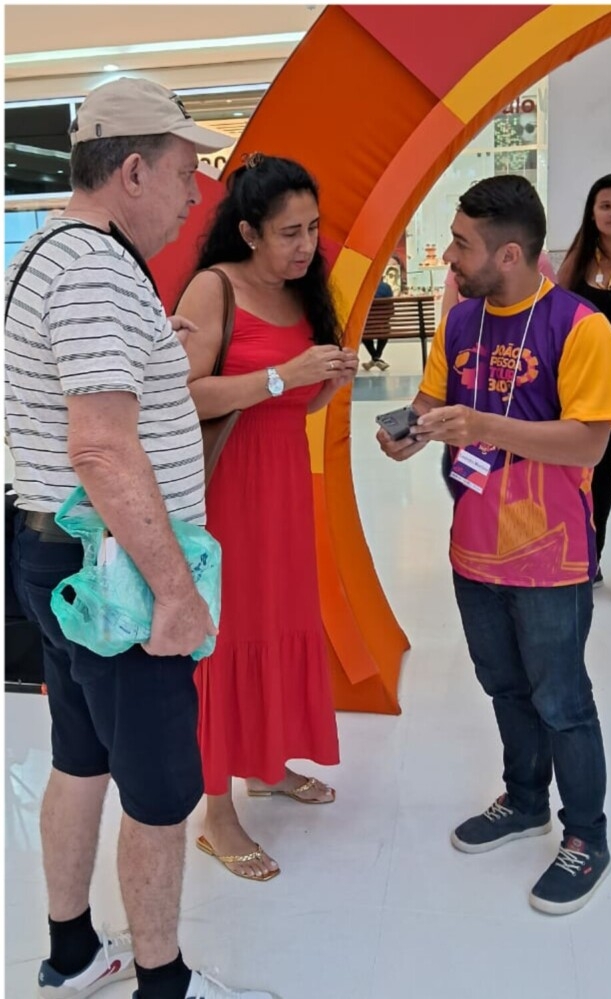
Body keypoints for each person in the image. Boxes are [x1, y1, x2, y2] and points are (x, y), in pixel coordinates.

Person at [4, 77, 278, 999]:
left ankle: (73, 952)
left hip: (58, 555)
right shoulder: (93, 272)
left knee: (80, 758)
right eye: (185, 170)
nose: (198, 192)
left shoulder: (56, 254)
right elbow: (102, 447)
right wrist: (176, 589)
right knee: (161, 794)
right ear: (131, 170)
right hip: (115, 572)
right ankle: (164, 986)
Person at [378, 175, 611, 915]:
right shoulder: (459, 322)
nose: (450, 257)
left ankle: (587, 835)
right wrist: (410, 430)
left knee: (563, 698)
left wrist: (485, 427)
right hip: (474, 546)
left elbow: (588, 443)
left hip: (551, 554)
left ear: (511, 254)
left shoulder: (580, 327)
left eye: (462, 244)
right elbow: (431, 401)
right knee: (504, 685)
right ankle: (525, 800)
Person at [175, 154, 355, 883]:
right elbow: (182, 395)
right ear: (248, 231)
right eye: (289, 231)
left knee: (282, 621)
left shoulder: (301, 291)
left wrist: (322, 382)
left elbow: (294, 405)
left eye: (312, 228)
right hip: (227, 492)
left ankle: (269, 761)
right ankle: (215, 814)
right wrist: (286, 374)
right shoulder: (214, 286)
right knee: (228, 636)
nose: (306, 244)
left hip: (283, 485)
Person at [557, 174, 611, 606]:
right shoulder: (577, 263)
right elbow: (557, 316)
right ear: (592, 211)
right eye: (605, 205)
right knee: (593, 476)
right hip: (592, 387)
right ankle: (591, 559)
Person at [439, 246, 556, 326]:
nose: (448, 254)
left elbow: (551, 316)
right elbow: (447, 320)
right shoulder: (460, 264)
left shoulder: (537, 262)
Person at [363, 277, 395, 371]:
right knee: (385, 329)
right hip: (383, 327)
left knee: (364, 333)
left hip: (366, 328)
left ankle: (375, 358)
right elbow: (391, 311)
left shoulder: (364, 287)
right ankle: (377, 358)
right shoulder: (387, 288)